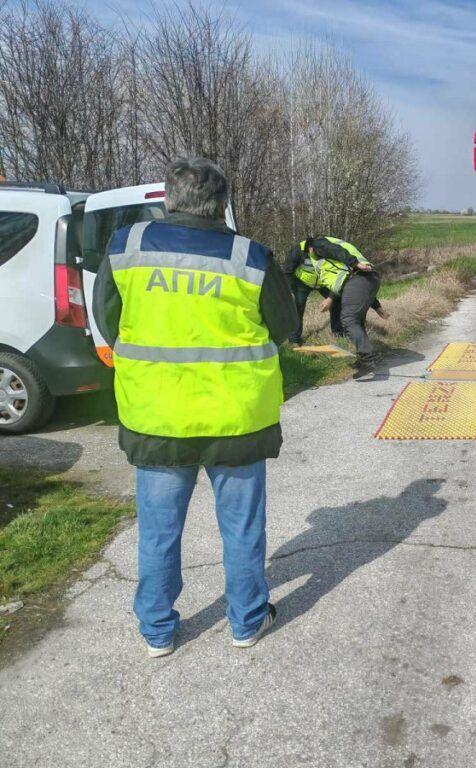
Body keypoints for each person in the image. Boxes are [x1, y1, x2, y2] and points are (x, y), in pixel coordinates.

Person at [93, 158, 298, 658]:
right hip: (236, 418)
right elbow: (285, 326)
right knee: (242, 528)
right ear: (223, 205)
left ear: (167, 200)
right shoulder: (249, 256)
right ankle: (247, 622)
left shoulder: (129, 247)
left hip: (158, 417)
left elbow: (105, 318)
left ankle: (158, 631)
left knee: (159, 531)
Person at [297, 236, 388, 380]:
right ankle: (364, 358)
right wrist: (376, 306)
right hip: (367, 279)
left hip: (357, 279)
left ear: (309, 248)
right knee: (356, 322)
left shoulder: (317, 244)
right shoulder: (336, 255)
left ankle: (368, 359)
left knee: (348, 320)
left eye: (307, 254)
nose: (309, 257)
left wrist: (355, 263)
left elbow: (334, 251)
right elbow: (346, 279)